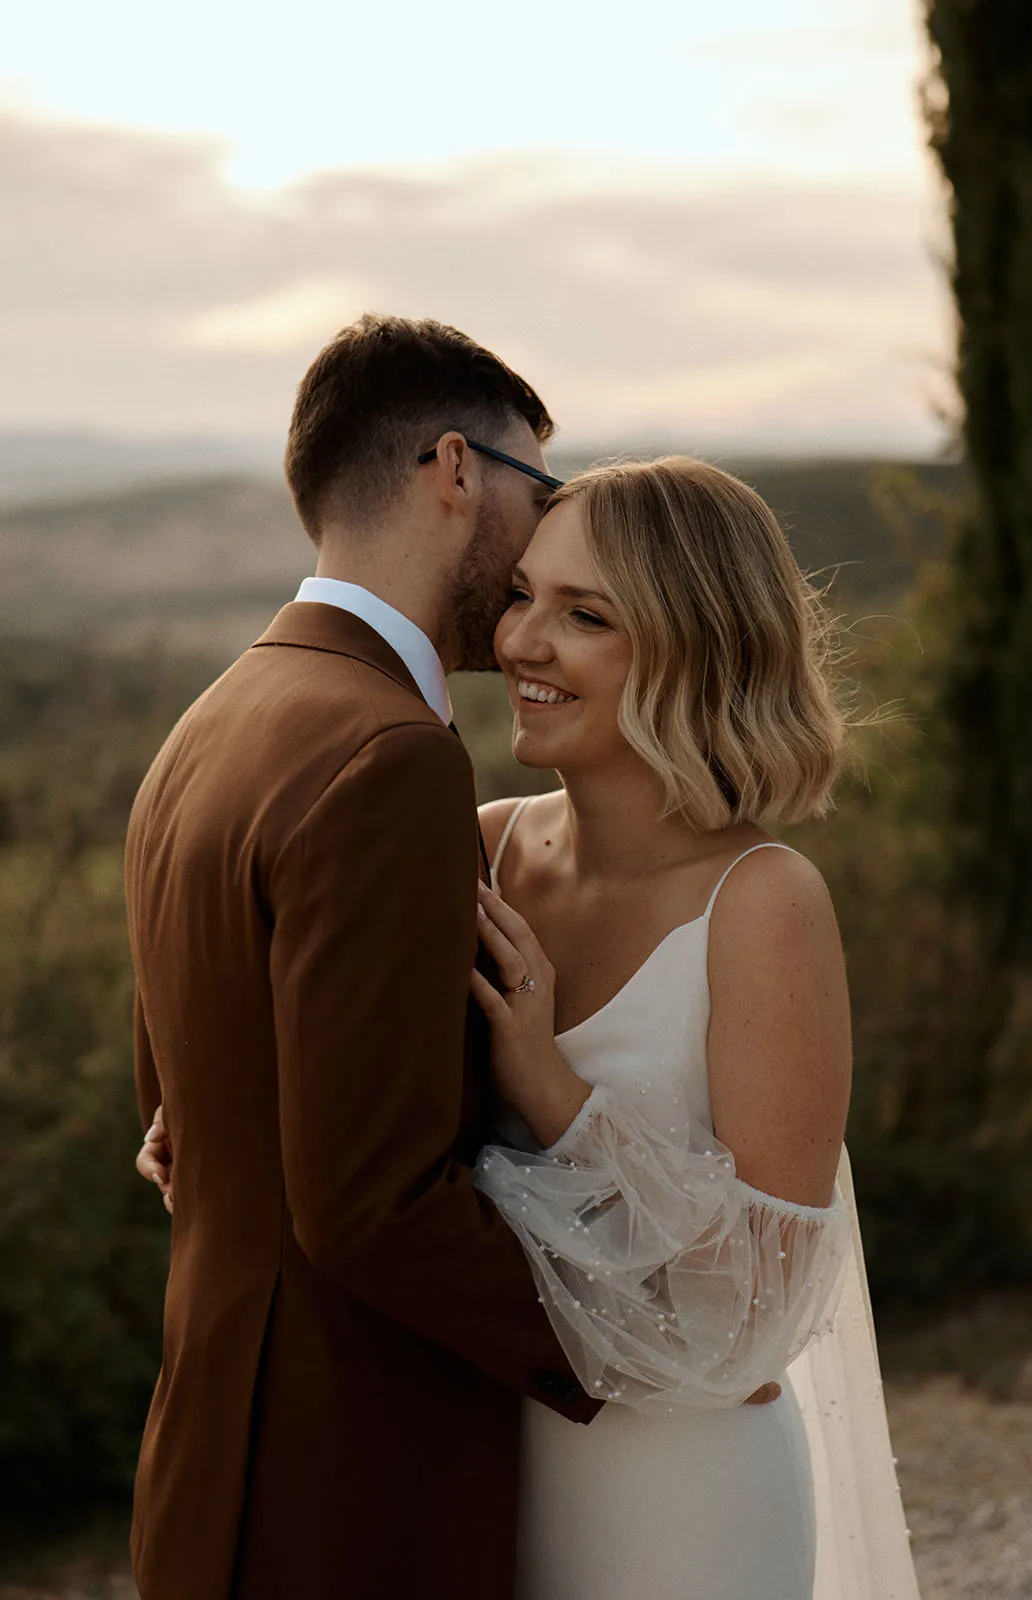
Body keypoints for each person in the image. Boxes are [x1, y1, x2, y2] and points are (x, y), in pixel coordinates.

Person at [137, 367, 918, 1594]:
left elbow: (759, 1310)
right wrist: (224, 1105)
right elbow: (355, 1121)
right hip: (484, 1456)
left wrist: (549, 1086)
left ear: (694, 646)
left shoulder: (761, 902)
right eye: (518, 597)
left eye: (584, 616)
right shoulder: (479, 840)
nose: (518, 643)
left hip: (677, 1481)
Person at [125, 314, 615, 1600]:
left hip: (209, 1454)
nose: (542, 536)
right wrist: (614, 1345)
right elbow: (368, 1203)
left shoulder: (214, 718)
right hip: (352, 1482)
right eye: (539, 488)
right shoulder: (391, 755)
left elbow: (172, 1107)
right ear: (453, 469)